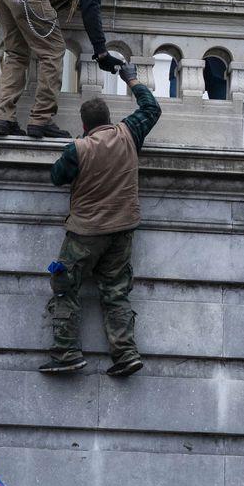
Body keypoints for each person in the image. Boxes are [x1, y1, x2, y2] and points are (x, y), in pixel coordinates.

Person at [42, 68, 161, 376]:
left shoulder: (78, 149)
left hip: (85, 233)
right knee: (116, 291)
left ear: (84, 125)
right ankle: (125, 354)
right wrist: (131, 79)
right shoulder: (128, 133)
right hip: (122, 230)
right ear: (108, 118)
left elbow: (57, 177)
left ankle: (66, 351)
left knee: (65, 286)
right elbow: (152, 108)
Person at [0, 0, 126, 139]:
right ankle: (41, 120)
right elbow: (91, 7)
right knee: (52, 51)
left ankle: (3, 118)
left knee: (17, 53)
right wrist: (102, 51)